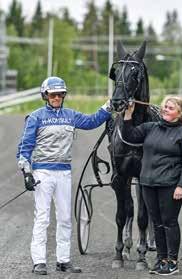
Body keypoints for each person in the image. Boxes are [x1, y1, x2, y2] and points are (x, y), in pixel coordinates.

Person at [16, 76, 112, 275]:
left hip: (64, 173)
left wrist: (109, 105)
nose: (57, 97)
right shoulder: (36, 117)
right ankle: (39, 262)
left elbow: (92, 121)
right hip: (42, 172)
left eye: (60, 94)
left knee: (65, 218)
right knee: (42, 218)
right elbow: (25, 148)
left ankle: (64, 260)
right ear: (45, 95)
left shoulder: (71, 115)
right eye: (53, 94)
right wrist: (27, 172)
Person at [122, 95, 182, 276]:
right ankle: (161, 260)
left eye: (170, 108)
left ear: (179, 113)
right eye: (164, 107)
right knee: (156, 223)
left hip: (170, 185)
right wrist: (128, 114)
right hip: (147, 183)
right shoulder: (151, 128)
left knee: (169, 222)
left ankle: (172, 261)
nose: (165, 110)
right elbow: (129, 134)